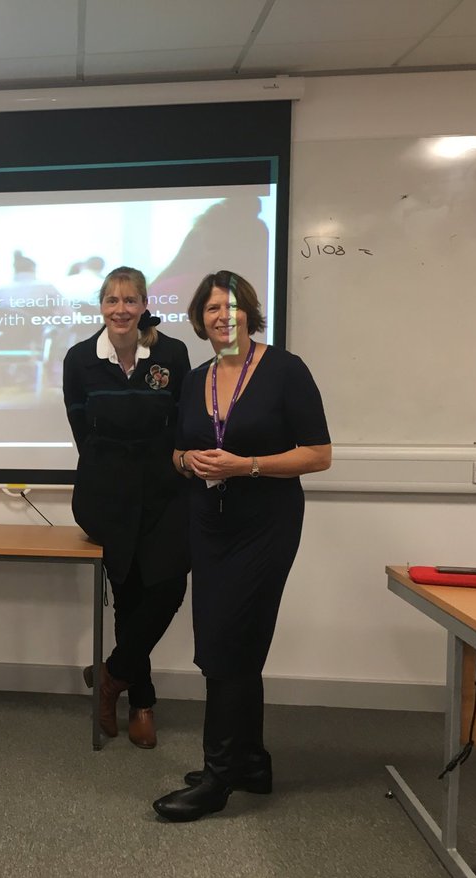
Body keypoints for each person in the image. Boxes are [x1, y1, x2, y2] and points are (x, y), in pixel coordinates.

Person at [153, 270, 331, 822]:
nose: (222, 317)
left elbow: (319, 453)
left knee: (229, 642)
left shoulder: (285, 370)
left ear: (250, 313)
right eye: (210, 309)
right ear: (199, 319)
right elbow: (177, 452)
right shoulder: (196, 377)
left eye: (231, 308)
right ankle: (251, 763)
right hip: (209, 521)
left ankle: (218, 775)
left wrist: (246, 464)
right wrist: (190, 462)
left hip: (266, 522)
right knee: (228, 639)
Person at [62, 266, 191, 748]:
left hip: (163, 492)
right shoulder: (80, 358)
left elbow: (182, 422)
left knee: (169, 587)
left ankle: (110, 677)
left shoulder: (172, 353)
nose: (120, 309)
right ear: (101, 304)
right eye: (112, 300)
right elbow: (81, 429)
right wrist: (111, 473)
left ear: (143, 305)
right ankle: (141, 702)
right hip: (106, 493)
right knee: (131, 592)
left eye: (130, 300)